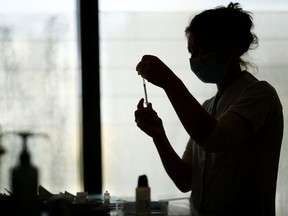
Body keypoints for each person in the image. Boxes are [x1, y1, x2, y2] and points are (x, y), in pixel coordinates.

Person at [134, 2, 283, 216]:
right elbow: (185, 180)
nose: (195, 59)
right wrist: (159, 135)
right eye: (191, 52)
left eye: (202, 50)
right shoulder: (208, 108)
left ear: (231, 48)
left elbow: (215, 138)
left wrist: (169, 81)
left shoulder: (260, 95)